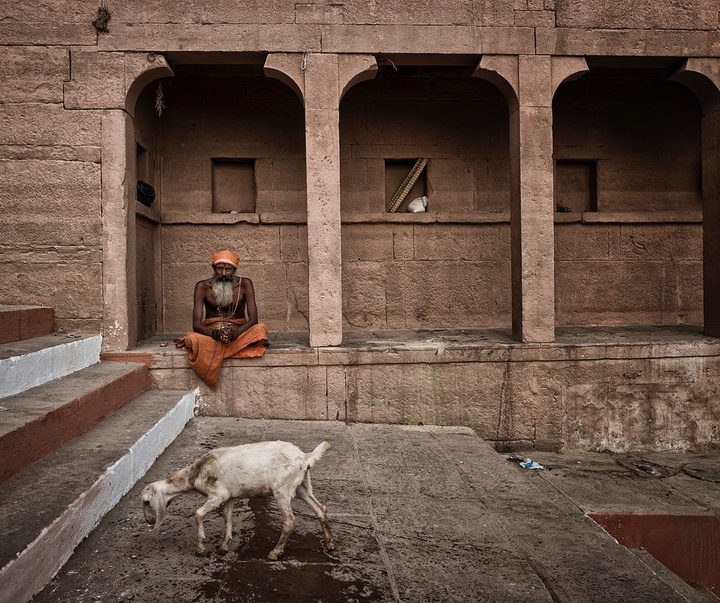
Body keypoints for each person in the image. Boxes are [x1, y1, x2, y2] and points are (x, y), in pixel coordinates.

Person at [174, 250, 269, 388]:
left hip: (238, 332)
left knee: (260, 329)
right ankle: (231, 348)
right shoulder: (202, 286)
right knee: (192, 339)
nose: (224, 273)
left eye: (228, 269)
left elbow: (253, 319)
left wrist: (235, 334)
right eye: (220, 268)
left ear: (234, 269)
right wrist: (216, 334)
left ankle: (222, 349)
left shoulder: (245, 284)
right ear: (214, 268)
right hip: (212, 333)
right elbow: (196, 325)